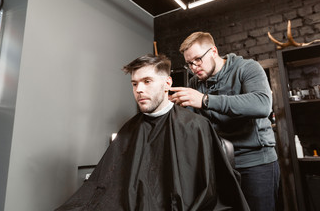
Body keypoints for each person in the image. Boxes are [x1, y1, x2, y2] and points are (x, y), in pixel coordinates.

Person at [56, 54, 249, 211]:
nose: (139, 90)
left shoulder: (196, 126)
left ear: (167, 83)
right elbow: (104, 186)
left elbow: (214, 191)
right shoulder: (129, 130)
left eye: (147, 81)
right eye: (134, 83)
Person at [169, 32, 280, 211]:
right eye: (189, 63)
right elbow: (192, 123)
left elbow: (262, 105)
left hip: (256, 163)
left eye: (198, 59)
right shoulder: (195, 83)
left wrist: (206, 100)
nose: (194, 67)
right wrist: (174, 109)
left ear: (213, 51)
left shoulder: (247, 68)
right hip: (221, 164)